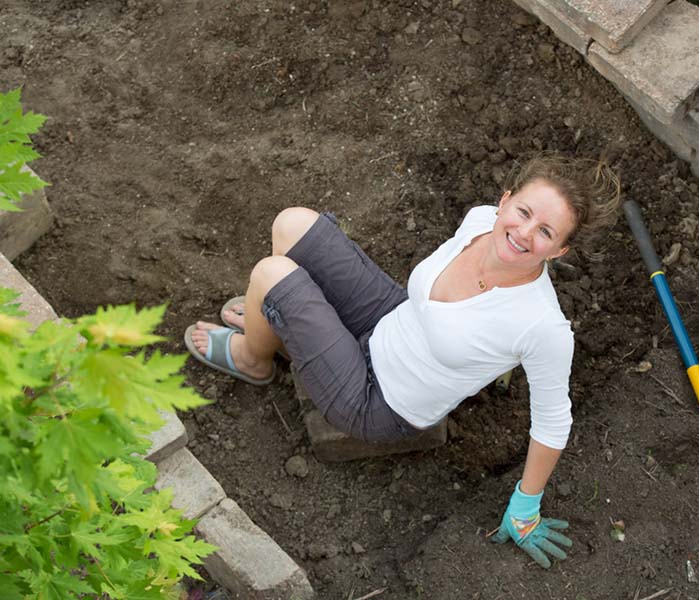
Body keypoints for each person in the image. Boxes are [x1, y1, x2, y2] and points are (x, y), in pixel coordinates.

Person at [185, 153, 621, 568]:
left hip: (378, 402)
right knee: (293, 224)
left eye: (546, 232)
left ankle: (253, 358)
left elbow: (552, 422)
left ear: (559, 252)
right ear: (505, 200)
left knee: (270, 274)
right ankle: (276, 318)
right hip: (388, 321)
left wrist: (525, 506)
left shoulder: (543, 326)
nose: (525, 233)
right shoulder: (479, 222)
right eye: (524, 212)